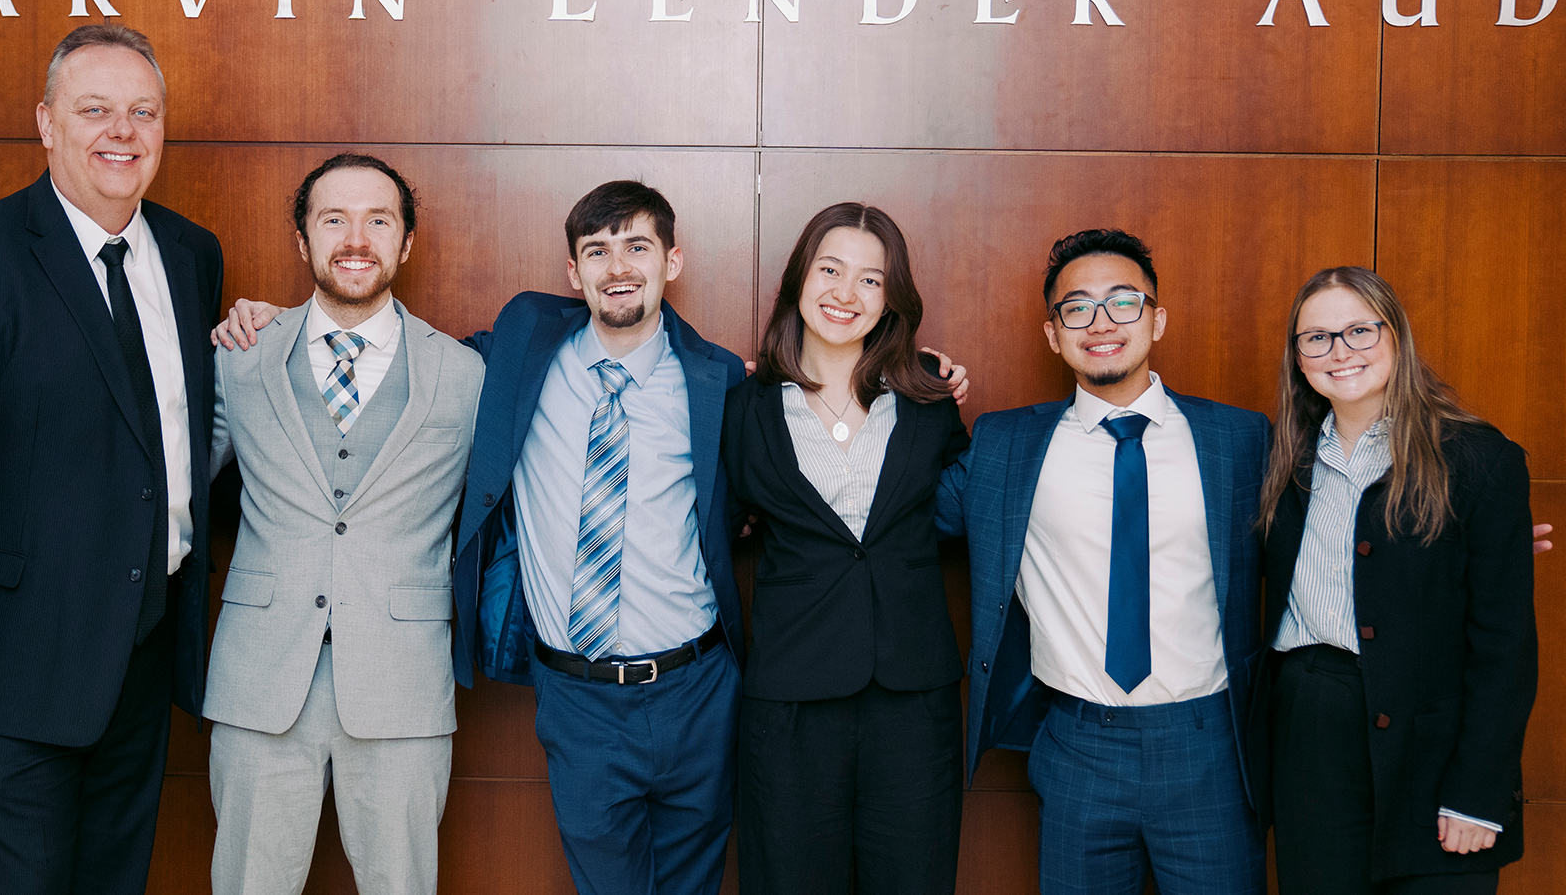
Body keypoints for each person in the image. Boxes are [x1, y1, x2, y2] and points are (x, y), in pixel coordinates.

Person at [216, 180, 748, 895]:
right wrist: (272, 321)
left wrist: (903, 379)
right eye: (597, 250)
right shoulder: (522, 347)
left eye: (638, 248)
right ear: (573, 273)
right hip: (578, 692)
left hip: (697, 686)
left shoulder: (718, 381)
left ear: (672, 262)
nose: (618, 267)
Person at [0, 24, 223, 895]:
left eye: (143, 111)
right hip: (14, 671)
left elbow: (169, 434)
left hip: (145, 657)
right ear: (46, 123)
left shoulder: (190, 254)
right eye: (94, 109)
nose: (122, 131)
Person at [935, 229, 1269, 895]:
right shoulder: (1006, 444)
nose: (1101, 323)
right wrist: (907, 387)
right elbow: (903, 521)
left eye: (1123, 302)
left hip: (1208, 745)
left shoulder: (1239, 438)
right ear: (1054, 334)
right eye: (1076, 308)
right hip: (1078, 748)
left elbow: (1327, 533)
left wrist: (1454, 535)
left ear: (1157, 319)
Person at [203, 154, 483, 894]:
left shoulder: (464, 376)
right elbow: (158, 483)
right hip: (260, 680)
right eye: (333, 219)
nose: (355, 238)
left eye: (378, 220)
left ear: (406, 242)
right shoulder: (240, 357)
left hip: (404, 683)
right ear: (302, 240)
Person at [1254, 266, 1536, 895]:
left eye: (1359, 330)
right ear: (1298, 358)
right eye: (1317, 338)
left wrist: (1479, 791)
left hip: (1432, 750)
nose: (1339, 352)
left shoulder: (1479, 461)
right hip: (1312, 739)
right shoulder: (1279, 460)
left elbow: (1505, 648)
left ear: (1396, 338)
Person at [722, 204, 970, 895]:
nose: (845, 293)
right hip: (792, 698)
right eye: (830, 270)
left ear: (891, 298)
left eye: (871, 280)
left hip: (913, 696)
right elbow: (718, 527)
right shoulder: (741, 408)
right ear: (800, 276)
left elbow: (958, 510)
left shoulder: (930, 398)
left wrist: (932, 374)